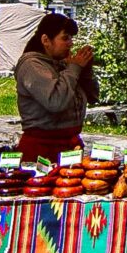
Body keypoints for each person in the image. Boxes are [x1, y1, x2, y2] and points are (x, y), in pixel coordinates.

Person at [13, 12, 98, 162]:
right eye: (65, 38)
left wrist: (85, 72)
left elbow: (93, 97)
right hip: (42, 149)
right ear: (46, 40)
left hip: (68, 146)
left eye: (71, 38)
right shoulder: (31, 65)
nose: (70, 43)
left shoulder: (63, 65)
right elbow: (56, 101)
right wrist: (74, 69)